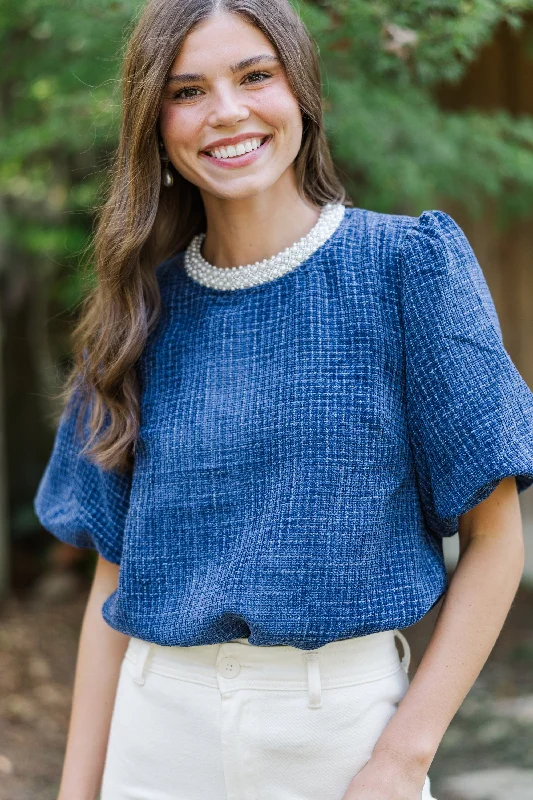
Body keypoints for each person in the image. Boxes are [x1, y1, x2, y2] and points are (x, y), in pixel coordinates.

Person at [32, 1, 533, 799]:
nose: (226, 111)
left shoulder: (406, 268)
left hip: (340, 738)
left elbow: (495, 536)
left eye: (254, 76)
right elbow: (109, 582)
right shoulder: (133, 315)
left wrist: (401, 759)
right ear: (155, 124)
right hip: (154, 738)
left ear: (300, 89)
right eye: (186, 90)